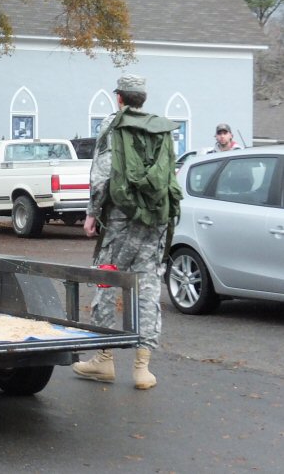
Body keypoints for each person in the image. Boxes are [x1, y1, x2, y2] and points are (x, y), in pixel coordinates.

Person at [72, 73, 180, 390]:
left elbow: (102, 174)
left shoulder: (112, 124)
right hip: (155, 222)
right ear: (142, 98)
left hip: (119, 220)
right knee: (147, 288)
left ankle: (104, 360)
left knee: (106, 280)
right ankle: (142, 368)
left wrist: (92, 213)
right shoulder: (162, 128)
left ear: (119, 97)